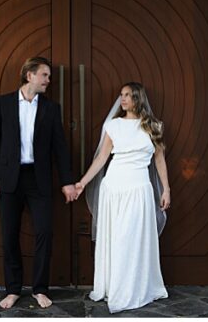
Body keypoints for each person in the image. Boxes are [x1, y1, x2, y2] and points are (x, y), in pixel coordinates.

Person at [0, 57, 75, 309]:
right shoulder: (2, 104)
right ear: (29, 75)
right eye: (44, 75)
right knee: (9, 234)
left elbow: (60, 149)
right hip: (8, 179)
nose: (48, 80)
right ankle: (12, 289)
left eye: (48, 76)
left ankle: (40, 289)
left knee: (45, 231)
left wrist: (68, 182)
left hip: (39, 179)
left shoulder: (50, 108)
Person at [76, 82, 170, 313]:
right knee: (117, 239)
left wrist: (166, 189)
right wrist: (82, 182)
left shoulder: (153, 126)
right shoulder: (113, 125)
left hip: (139, 190)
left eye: (128, 95)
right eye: (121, 95)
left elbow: (159, 160)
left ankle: (135, 287)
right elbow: (101, 158)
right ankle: (114, 286)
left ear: (138, 98)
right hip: (114, 189)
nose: (123, 99)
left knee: (133, 239)